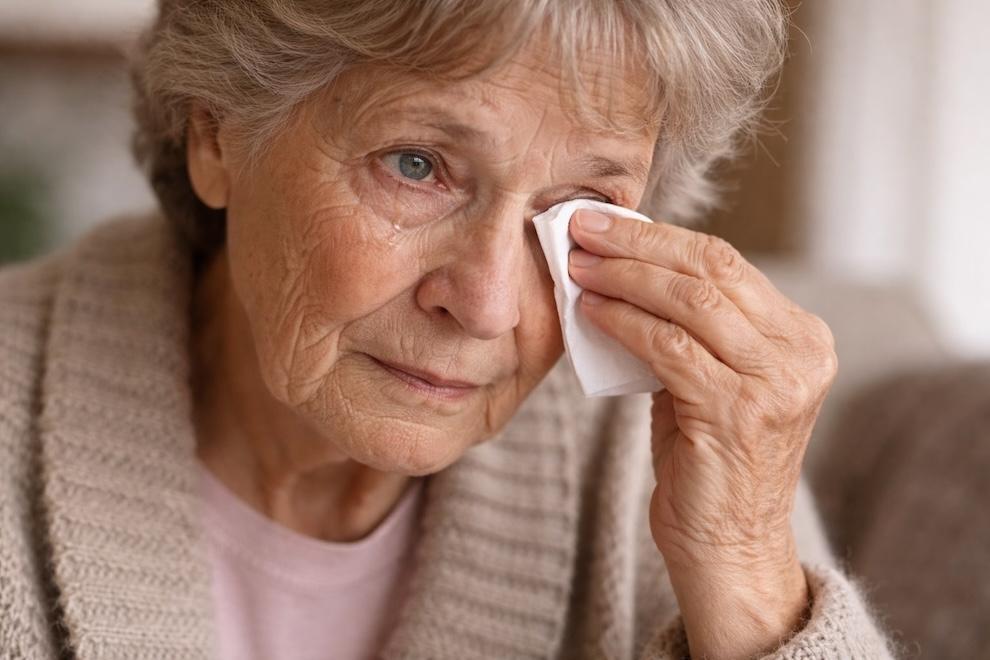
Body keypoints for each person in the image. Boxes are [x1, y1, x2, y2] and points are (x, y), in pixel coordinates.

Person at [0, 1, 898, 658]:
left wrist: (744, 570)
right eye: (417, 164)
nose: (487, 303)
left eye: (580, 205)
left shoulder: (655, 452)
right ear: (216, 135)